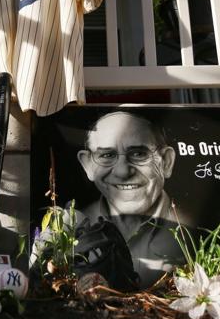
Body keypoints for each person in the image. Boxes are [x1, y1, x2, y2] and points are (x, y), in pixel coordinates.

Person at [75, 111, 191, 288]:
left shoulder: (199, 233)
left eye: (138, 154)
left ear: (166, 162)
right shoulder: (70, 231)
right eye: (107, 156)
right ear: (88, 165)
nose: (122, 171)